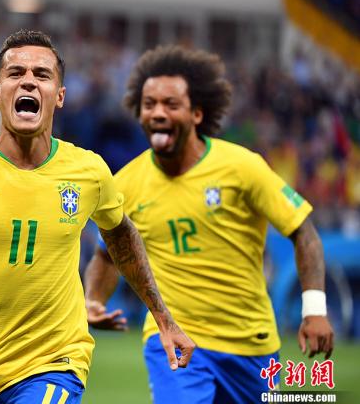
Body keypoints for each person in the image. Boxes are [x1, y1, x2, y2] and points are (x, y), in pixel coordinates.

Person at [0, 30, 194, 404]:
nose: (28, 81)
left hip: (54, 364)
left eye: (42, 74)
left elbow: (122, 235)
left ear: (58, 96)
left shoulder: (89, 171)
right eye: (15, 73)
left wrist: (164, 319)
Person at [84, 45, 334, 404]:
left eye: (171, 104)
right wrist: (93, 299)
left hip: (251, 345)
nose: (158, 112)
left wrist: (314, 309)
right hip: (174, 338)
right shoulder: (126, 183)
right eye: (149, 104)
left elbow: (303, 231)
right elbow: (107, 254)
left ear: (197, 113)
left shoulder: (242, 167)